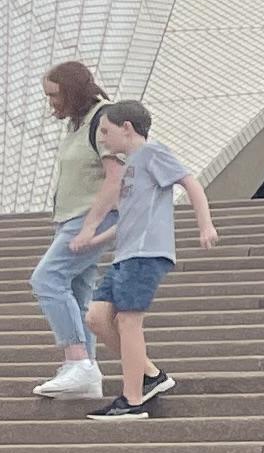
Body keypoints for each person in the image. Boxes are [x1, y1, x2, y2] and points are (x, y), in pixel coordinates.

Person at [72, 99, 217, 418]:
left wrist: (204, 224)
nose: (103, 140)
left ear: (127, 128)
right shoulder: (130, 169)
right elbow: (129, 218)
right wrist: (93, 239)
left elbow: (190, 182)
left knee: (128, 321)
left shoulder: (153, 153)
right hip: (126, 253)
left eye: (106, 131)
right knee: (96, 318)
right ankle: (151, 376)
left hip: (146, 252)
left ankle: (133, 400)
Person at [29, 59, 121, 400]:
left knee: (46, 278)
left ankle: (78, 360)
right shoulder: (79, 124)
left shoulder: (104, 119)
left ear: (72, 91)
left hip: (88, 218)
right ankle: (87, 374)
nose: (51, 102)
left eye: (55, 95)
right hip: (71, 219)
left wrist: (91, 227)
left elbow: (116, 179)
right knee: (79, 292)